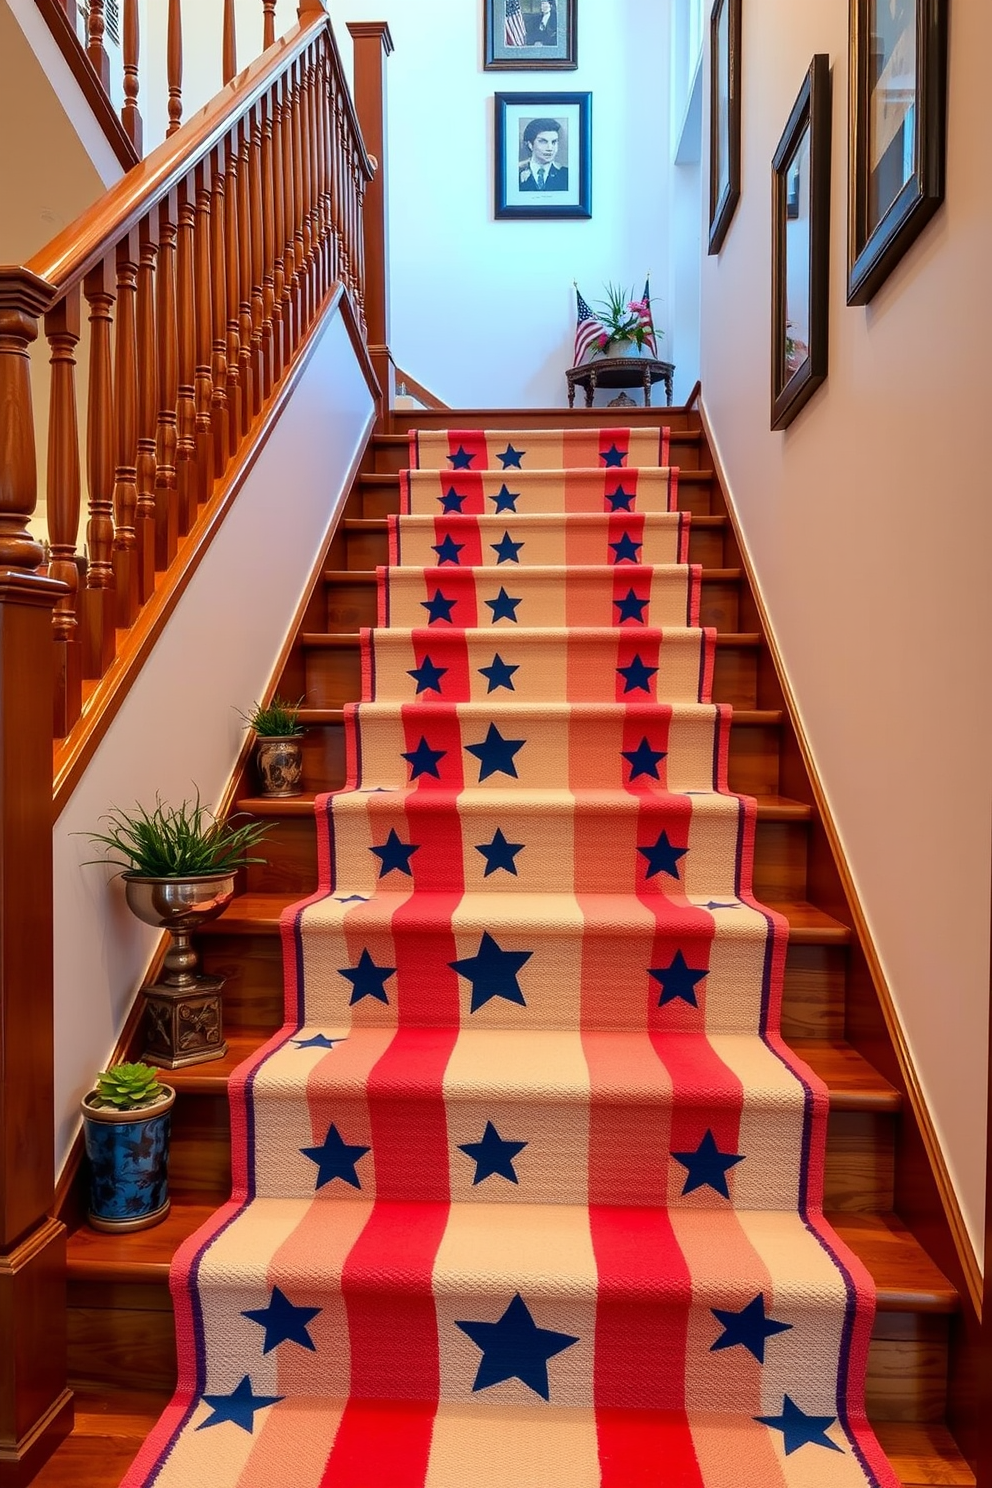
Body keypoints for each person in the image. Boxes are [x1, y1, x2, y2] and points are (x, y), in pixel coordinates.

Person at [518, 116, 568, 192]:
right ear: (530, 145)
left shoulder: (566, 175)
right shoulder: (515, 174)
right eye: (543, 141)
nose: (550, 148)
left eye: (554, 142)